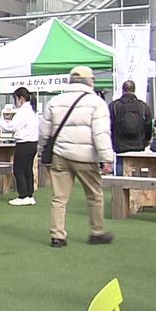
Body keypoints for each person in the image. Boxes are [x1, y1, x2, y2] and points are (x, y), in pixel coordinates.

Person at [41, 66, 114, 248]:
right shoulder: (97, 103)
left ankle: (57, 236)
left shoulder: (54, 101)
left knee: (59, 198)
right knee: (94, 195)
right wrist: (106, 158)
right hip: (86, 157)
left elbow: (44, 132)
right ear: (90, 81)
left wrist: (43, 149)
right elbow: (101, 133)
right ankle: (96, 232)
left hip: (59, 155)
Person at [0, 87, 41, 206]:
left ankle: (23, 195)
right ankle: (29, 195)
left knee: (19, 170)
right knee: (27, 170)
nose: (16, 101)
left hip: (24, 143)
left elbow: (13, 126)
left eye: (16, 99)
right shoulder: (32, 110)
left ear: (21, 98)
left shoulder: (24, 111)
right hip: (33, 143)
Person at [109, 81, 153, 175]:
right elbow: (148, 124)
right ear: (134, 90)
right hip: (139, 142)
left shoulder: (114, 105)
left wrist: (112, 141)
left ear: (122, 90)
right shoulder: (143, 106)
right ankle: (136, 186)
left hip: (120, 143)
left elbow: (109, 124)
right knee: (137, 165)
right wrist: (147, 140)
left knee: (120, 163)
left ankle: (120, 186)